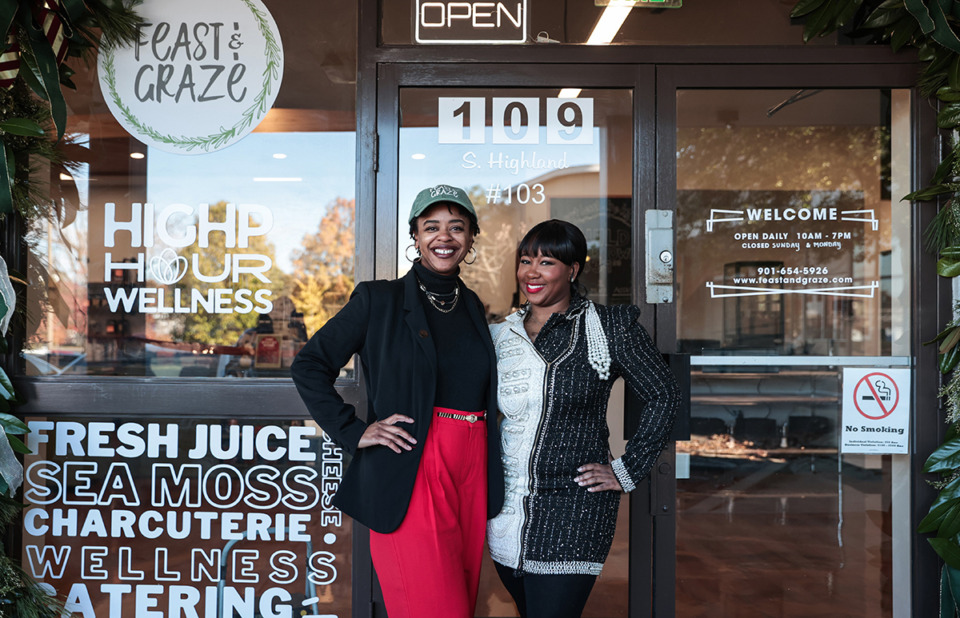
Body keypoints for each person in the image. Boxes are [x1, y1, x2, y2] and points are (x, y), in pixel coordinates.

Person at [291, 184, 504, 618]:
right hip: (413, 464)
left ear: (470, 239)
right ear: (416, 237)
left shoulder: (471, 306)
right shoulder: (378, 300)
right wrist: (353, 430)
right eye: (432, 227)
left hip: (472, 468)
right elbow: (309, 365)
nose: (444, 237)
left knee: (462, 599)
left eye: (456, 227)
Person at [488, 219, 680, 618]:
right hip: (507, 509)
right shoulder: (500, 335)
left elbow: (664, 395)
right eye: (525, 261)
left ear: (573, 270)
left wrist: (626, 470)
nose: (532, 272)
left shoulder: (610, 327)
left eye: (547, 262)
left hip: (575, 509)